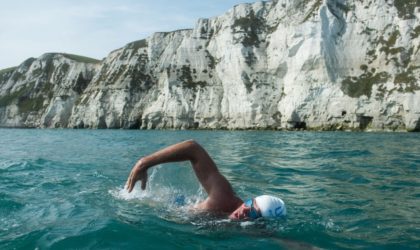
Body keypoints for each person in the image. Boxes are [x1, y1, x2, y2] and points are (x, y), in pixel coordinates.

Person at [126, 140, 286, 220]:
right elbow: (193, 148)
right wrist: (144, 163)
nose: (245, 210)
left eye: (253, 213)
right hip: (171, 208)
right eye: (250, 204)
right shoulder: (224, 198)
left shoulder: (251, 231)